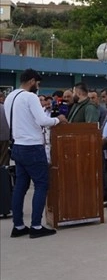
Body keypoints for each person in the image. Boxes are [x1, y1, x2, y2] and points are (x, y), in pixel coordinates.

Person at [4, 69, 68, 238]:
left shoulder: (11, 96)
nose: (38, 88)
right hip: (32, 147)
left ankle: (18, 226)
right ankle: (36, 226)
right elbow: (42, 121)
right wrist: (58, 119)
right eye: (38, 84)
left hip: (17, 146)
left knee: (20, 187)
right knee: (41, 185)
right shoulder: (30, 97)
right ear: (32, 81)